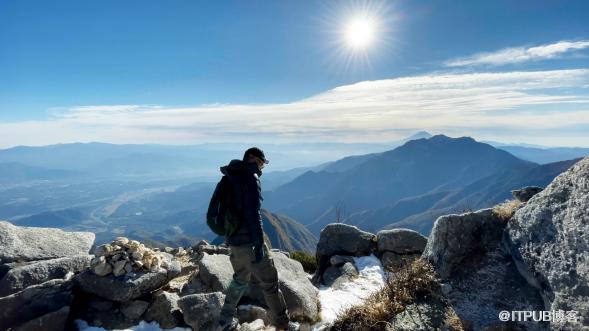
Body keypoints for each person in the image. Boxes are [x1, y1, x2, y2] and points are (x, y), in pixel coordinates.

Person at [214, 147, 291, 331]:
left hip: (233, 241)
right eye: (261, 162)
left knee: (240, 279)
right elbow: (253, 214)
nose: (262, 167)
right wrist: (258, 243)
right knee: (270, 284)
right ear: (252, 159)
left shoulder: (228, 178)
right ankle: (283, 325)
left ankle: (225, 319)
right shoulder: (250, 178)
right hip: (250, 241)